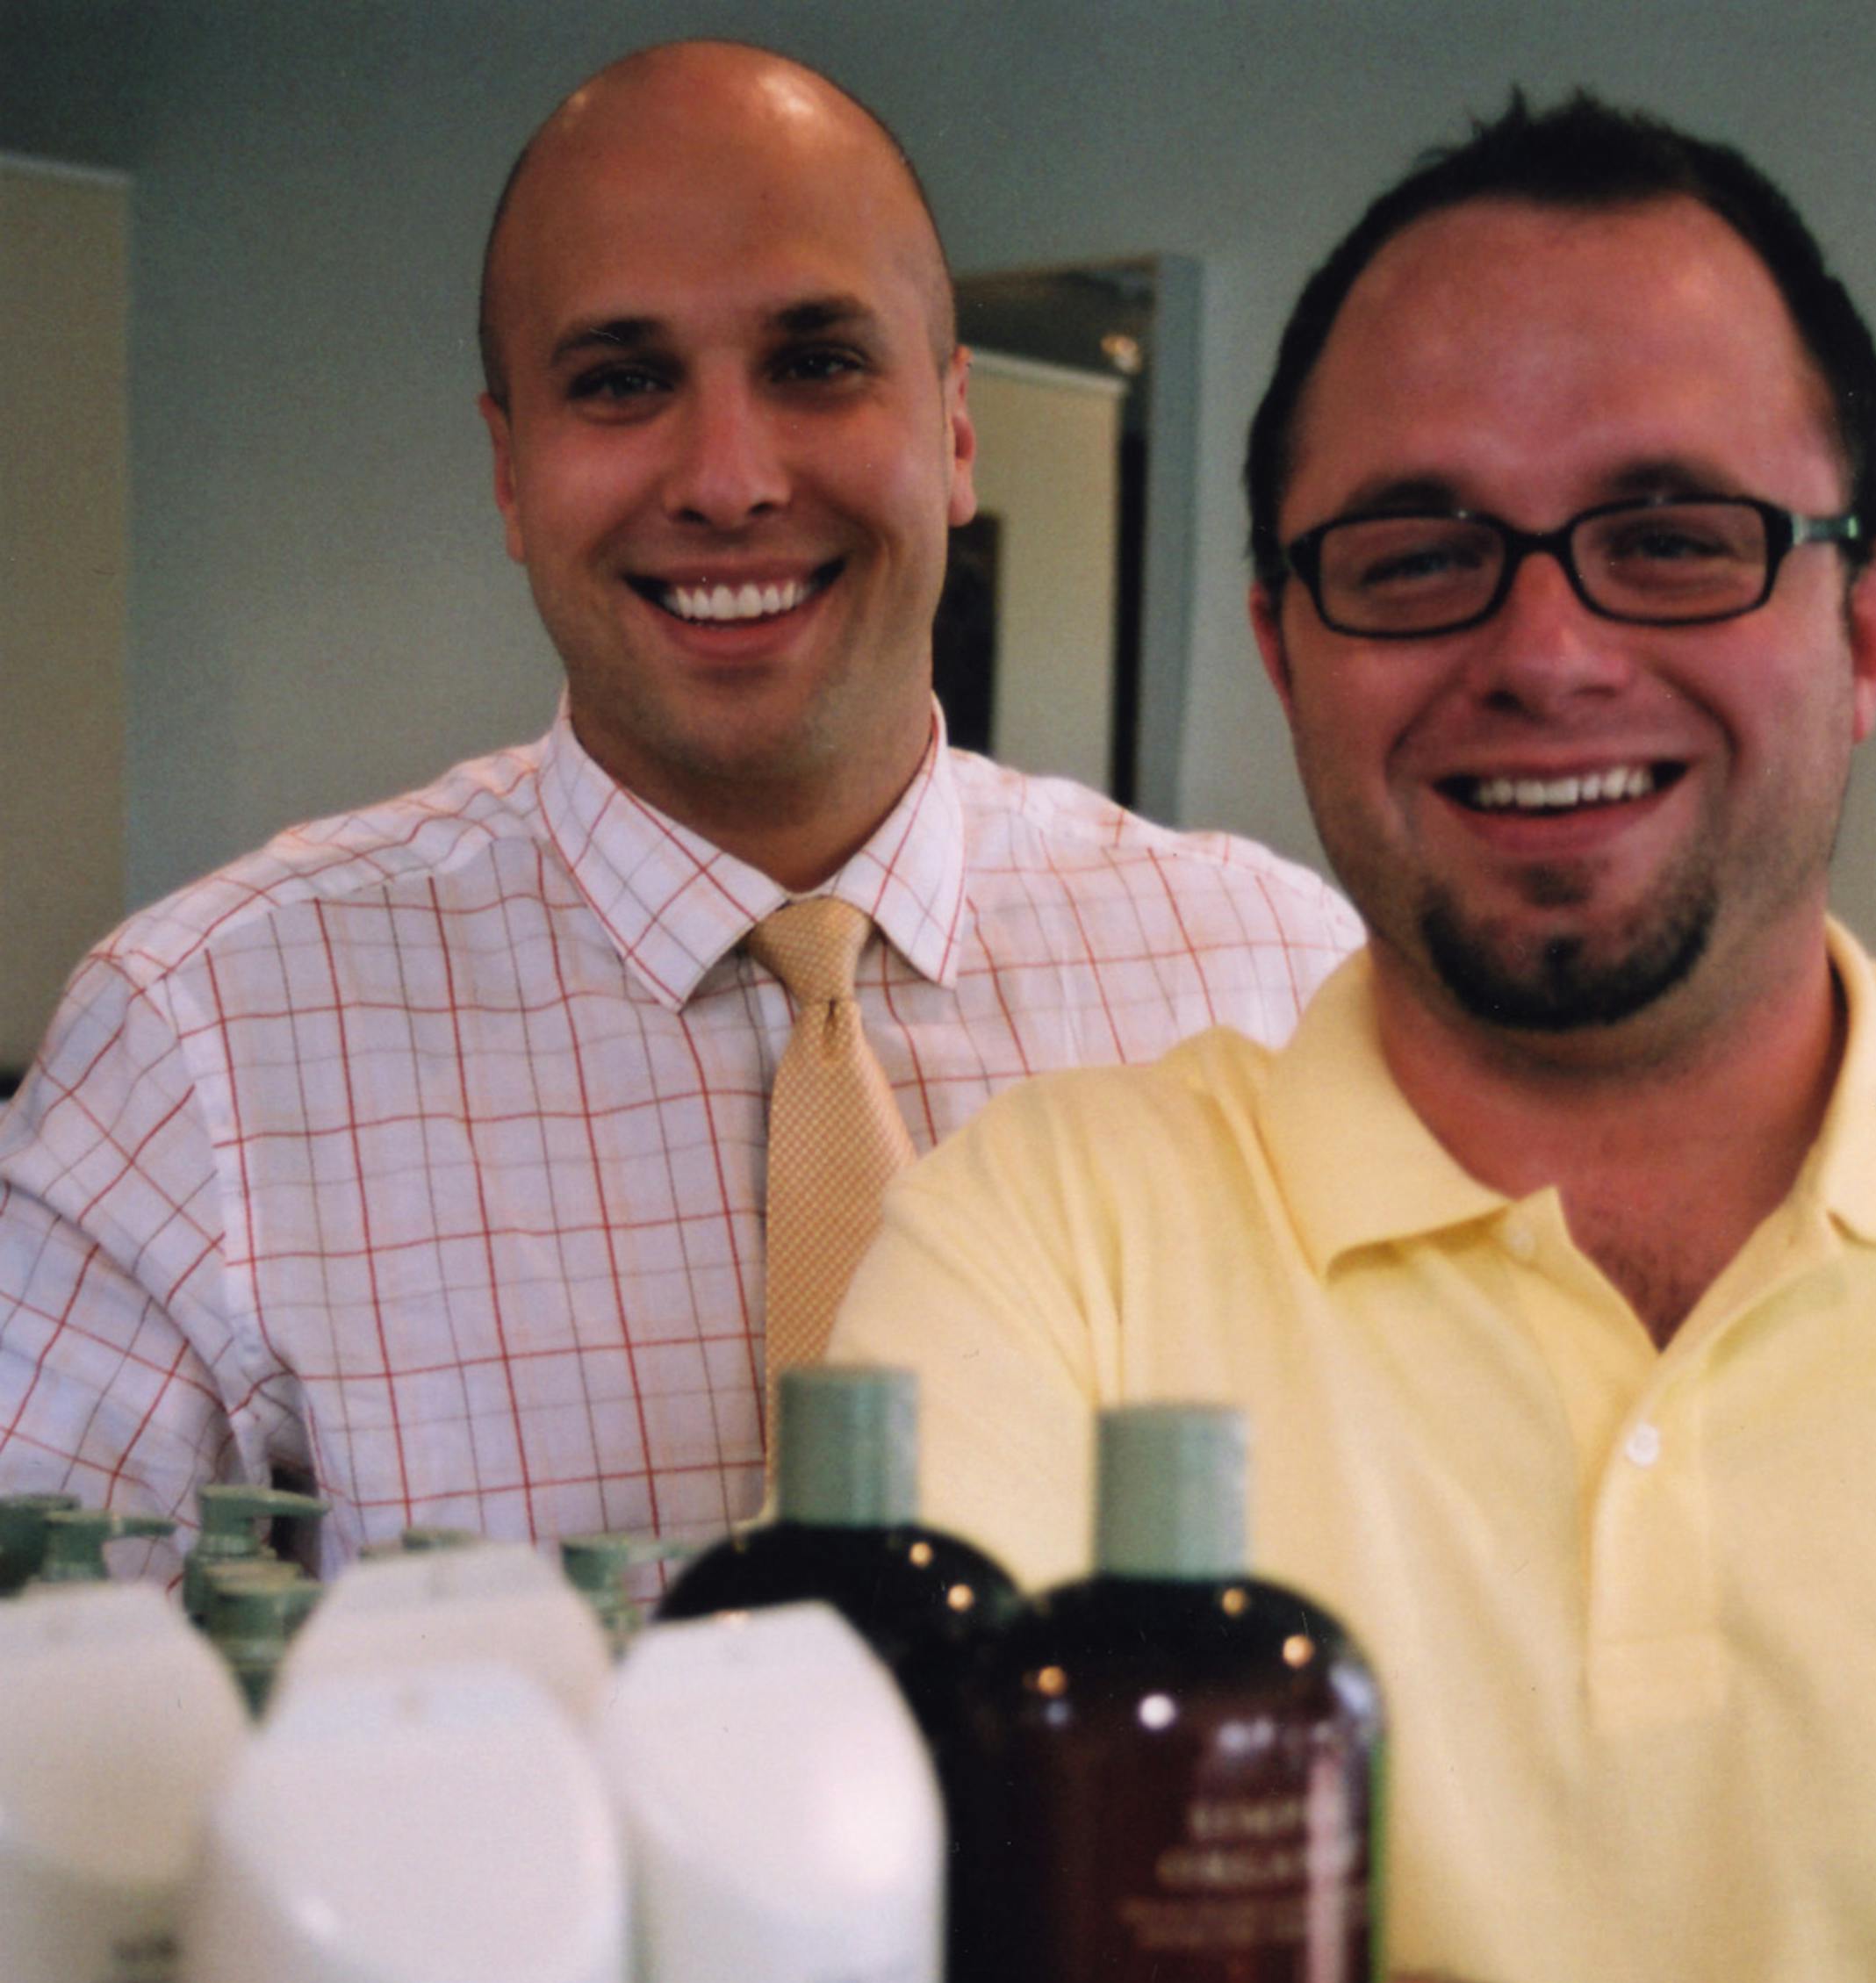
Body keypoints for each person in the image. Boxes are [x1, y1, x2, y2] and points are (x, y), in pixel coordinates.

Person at [832, 94, 1876, 1983]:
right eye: (1418, 551)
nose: (1545, 646)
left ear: (1871, 614)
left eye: (1673, 534)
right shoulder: (1042, 1236)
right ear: (1286, 644)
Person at [0, 40, 1355, 1568]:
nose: (727, 479)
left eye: (817, 363)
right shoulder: (199, 1058)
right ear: (510, 475)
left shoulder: (1275, 981)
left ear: (956, 429)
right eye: (624, 382)